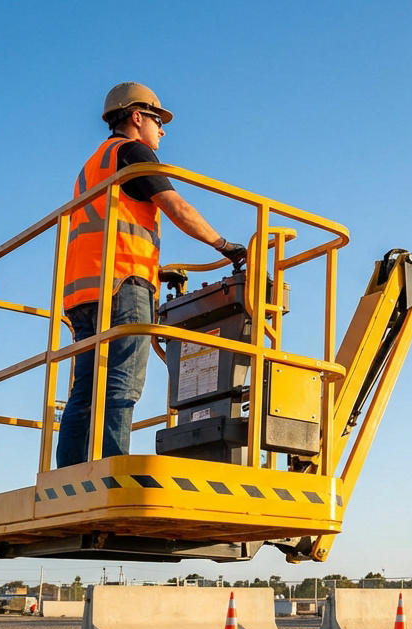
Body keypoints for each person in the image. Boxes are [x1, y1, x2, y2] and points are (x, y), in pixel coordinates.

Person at [56, 82, 248, 468]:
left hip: (84, 291)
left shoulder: (95, 162)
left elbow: (113, 226)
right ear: (137, 117)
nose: (162, 130)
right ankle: (112, 472)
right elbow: (175, 206)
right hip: (121, 286)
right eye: (158, 120)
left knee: (85, 389)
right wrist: (226, 245)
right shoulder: (132, 152)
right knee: (121, 385)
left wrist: (156, 271)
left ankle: (72, 476)